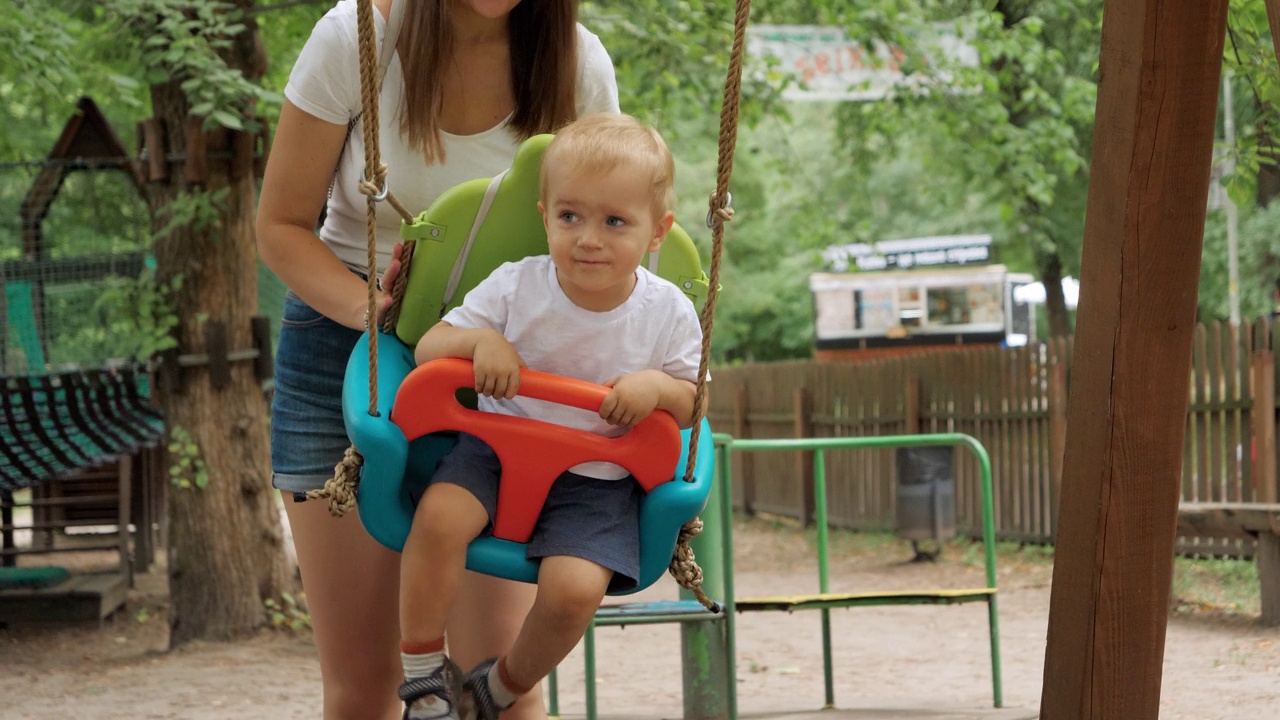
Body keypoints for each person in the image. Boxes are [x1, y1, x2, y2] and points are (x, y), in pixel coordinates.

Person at [254, 0, 620, 718]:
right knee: (366, 688)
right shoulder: (356, 37)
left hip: (502, 364)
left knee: (498, 688)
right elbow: (281, 226)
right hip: (348, 340)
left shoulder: (577, 63)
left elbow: (606, 233)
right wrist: (387, 316)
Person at [398, 113, 702, 720]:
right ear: (545, 215)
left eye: (615, 221)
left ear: (656, 231)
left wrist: (656, 388)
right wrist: (480, 345)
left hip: (598, 478)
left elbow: (694, 401)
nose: (588, 237)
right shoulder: (515, 286)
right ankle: (423, 673)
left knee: (574, 594)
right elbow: (430, 347)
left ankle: (499, 687)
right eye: (570, 216)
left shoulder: (667, 310)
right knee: (435, 521)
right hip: (492, 453)